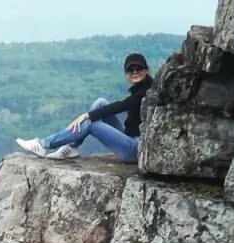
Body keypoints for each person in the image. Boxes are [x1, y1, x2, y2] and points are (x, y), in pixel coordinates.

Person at [15, 53, 153, 163]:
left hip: (135, 150)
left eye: (139, 69)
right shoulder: (140, 88)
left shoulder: (148, 90)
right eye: (131, 70)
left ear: (146, 70)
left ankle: (44, 144)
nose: (135, 72)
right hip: (129, 138)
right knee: (100, 102)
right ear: (126, 73)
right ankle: (71, 147)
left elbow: (123, 105)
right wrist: (89, 114)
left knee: (91, 123)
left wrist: (87, 115)